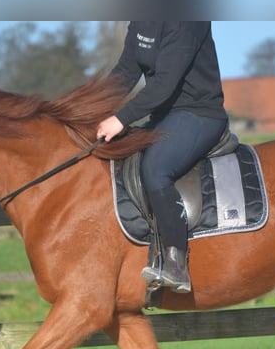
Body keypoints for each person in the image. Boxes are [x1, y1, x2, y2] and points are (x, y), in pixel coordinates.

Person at [97, 22, 229, 293]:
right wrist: (91, 109)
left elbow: (164, 83)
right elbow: (125, 72)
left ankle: (175, 263)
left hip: (199, 114)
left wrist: (121, 119)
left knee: (156, 169)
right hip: (163, 117)